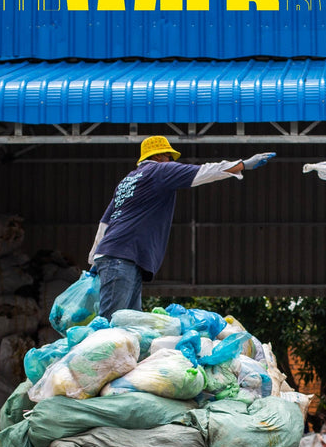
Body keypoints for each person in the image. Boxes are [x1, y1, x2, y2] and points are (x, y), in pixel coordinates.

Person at [88, 136, 275, 318]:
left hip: (119, 257)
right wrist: (242, 164)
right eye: (168, 157)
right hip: (121, 257)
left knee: (128, 324)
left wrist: (95, 258)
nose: (170, 161)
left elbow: (105, 221)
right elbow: (202, 172)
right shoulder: (159, 171)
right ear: (157, 156)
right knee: (111, 325)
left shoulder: (127, 181)